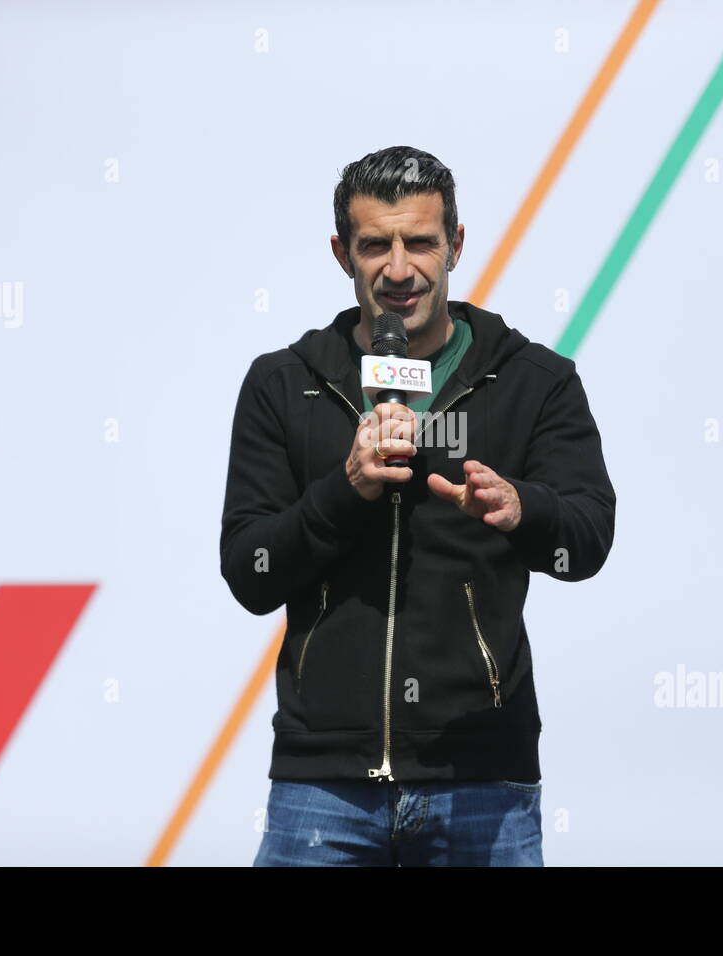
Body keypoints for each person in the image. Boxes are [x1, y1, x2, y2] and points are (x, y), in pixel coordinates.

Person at [219, 146, 616, 866]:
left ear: (456, 245)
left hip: (482, 777)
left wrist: (520, 507)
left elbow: (587, 539)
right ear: (342, 253)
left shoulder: (535, 381)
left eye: (420, 243)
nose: (398, 270)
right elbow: (250, 571)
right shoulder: (283, 383)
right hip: (323, 785)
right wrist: (346, 490)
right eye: (375, 245)